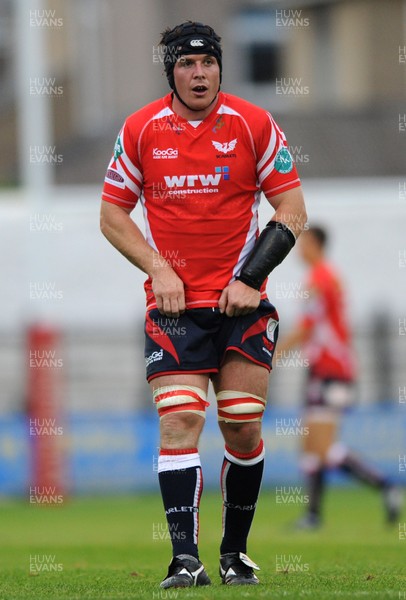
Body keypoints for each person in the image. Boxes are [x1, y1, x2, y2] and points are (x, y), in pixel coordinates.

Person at [100, 21, 306, 588]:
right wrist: (158, 268)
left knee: (241, 424)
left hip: (241, 307)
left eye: (208, 63)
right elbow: (112, 215)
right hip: (173, 312)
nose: (199, 73)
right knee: (182, 420)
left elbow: (290, 210)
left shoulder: (253, 123)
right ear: (171, 71)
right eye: (187, 64)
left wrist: (250, 277)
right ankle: (184, 558)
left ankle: (234, 553)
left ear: (220, 67)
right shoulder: (142, 129)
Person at [277, 226, 402, 529]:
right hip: (322, 370)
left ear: (315, 244)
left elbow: (307, 327)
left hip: (333, 371)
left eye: (303, 243)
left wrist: (276, 353)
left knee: (321, 447)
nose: (298, 249)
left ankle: (386, 485)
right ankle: (313, 516)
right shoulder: (324, 278)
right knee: (310, 446)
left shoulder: (320, 279)